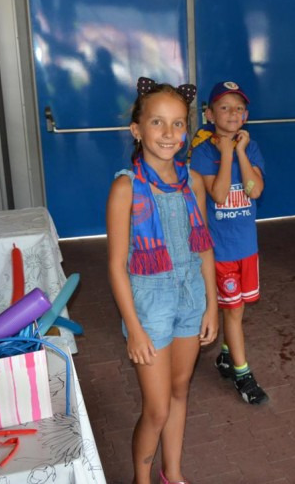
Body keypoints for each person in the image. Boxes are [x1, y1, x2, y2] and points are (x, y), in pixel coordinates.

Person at [107, 77, 218, 484]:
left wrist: (212, 305)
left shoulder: (193, 182)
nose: (169, 133)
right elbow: (116, 266)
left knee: (180, 390)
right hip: (150, 304)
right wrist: (134, 329)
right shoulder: (125, 188)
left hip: (191, 297)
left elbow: (203, 248)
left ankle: (173, 474)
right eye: (157, 122)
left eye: (178, 123)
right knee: (156, 409)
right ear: (137, 130)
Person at [189, 81, 268, 405]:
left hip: (247, 247)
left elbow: (255, 189)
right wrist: (225, 153)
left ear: (245, 115)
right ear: (209, 114)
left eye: (238, 108)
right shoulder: (203, 152)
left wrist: (240, 152)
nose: (232, 113)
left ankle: (225, 354)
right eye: (224, 107)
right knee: (233, 311)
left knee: (238, 308)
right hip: (220, 251)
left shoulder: (252, 147)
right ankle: (242, 373)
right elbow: (219, 195)